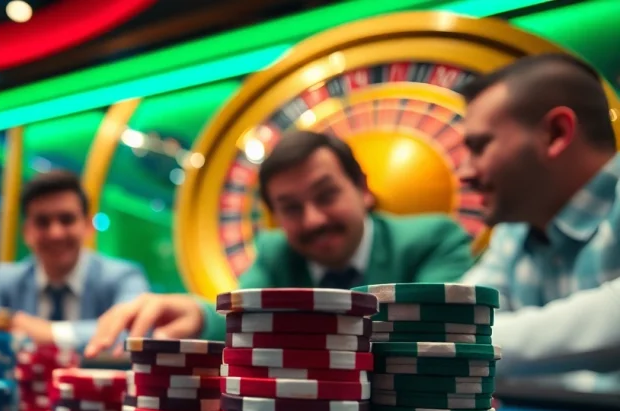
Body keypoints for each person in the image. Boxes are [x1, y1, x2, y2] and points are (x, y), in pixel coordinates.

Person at [85, 130, 476, 356]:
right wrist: (196, 315)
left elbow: (438, 341)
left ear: (364, 191)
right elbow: (240, 320)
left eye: (326, 196)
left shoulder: (435, 239)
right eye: (291, 208)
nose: (313, 220)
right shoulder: (276, 252)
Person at [457, 53, 620, 391]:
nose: (465, 173)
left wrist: (471, 348)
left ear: (556, 134)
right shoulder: (514, 230)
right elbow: (458, 322)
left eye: (480, 146)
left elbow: (459, 338)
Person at [0, 170, 150, 349]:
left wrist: (49, 332)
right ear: (27, 232)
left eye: (67, 220)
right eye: (42, 222)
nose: (56, 233)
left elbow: (137, 331)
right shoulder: (7, 278)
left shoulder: (123, 276)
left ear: (88, 226)